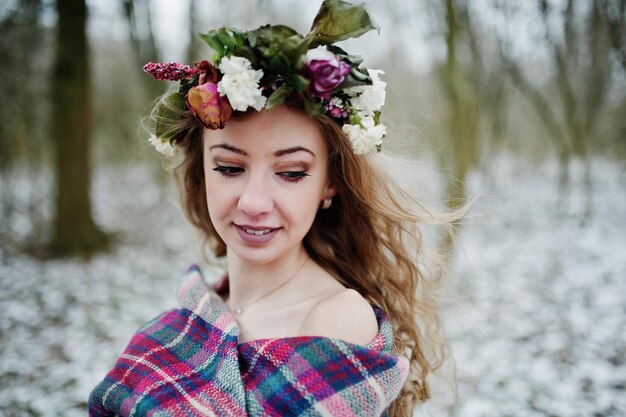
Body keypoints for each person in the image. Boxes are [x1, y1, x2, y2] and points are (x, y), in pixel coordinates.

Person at [89, 1, 460, 416]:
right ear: (202, 173)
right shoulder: (193, 310)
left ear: (329, 182)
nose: (253, 202)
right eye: (230, 167)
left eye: (291, 172)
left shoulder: (337, 321)